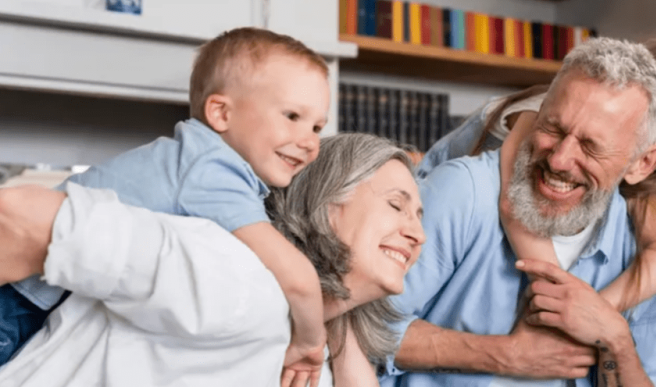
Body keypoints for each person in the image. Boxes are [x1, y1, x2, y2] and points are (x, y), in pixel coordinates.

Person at [0, 27, 332, 383]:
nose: (309, 142)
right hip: (20, 294)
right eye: (292, 117)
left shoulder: (195, 159)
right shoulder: (213, 170)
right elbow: (297, 278)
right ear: (221, 113)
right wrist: (311, 343)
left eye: (317, 127)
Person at [0, 133, 425, 386]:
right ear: (326, 203)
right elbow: (21, 217)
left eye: (419, 217)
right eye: (396, 206)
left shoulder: (312, 359)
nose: (417, 232)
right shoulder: (227, 271)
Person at [379, 37, 656, 386]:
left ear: (643, 163)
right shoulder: (463, 192)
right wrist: (506, 355)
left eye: (590, 147)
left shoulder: (641, 253)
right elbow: (357, 326)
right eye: (553, 128)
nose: (559, 160)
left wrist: (617, 340)